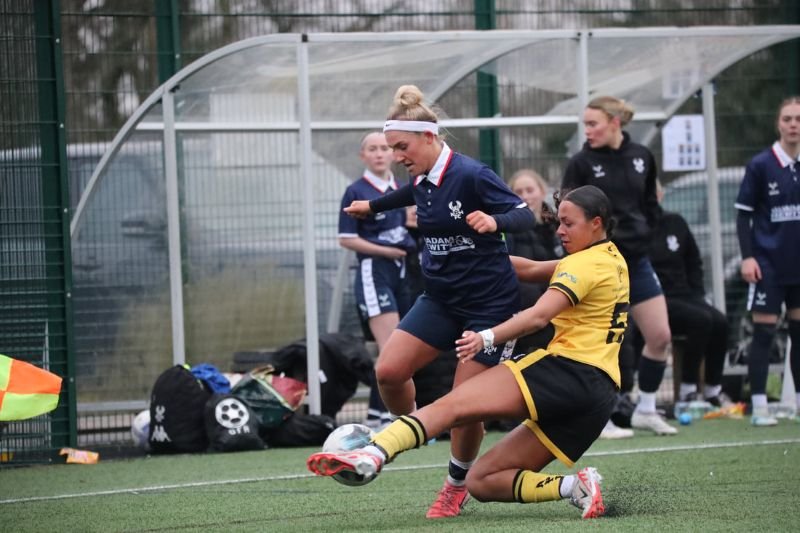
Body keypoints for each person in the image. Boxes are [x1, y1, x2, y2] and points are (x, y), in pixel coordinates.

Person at [308, 185, 628, 520]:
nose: (560, 230)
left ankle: (371, 453)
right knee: (482, 481)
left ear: (596, 222)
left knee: (453, 405)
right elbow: (532, 269)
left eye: (568, 223)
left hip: (568, 371)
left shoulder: (585, 265)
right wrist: (473, 256)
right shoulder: (610, 258)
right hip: (598, 397)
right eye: (559, 222)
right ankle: (576, 487)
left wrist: (486, 336)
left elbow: (537, 316)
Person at [338, 84, 536, 518]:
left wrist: (494, 219)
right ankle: (411, 430)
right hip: (442, 299)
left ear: (429, 137)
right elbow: (414, 194)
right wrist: (373, 208)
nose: (396, 156)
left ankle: (456, 484)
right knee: (388, 372)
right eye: (390, 149)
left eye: (401, 147)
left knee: (464, 406)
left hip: (489, 307)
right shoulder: (422, 177)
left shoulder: (472, 174)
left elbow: (526, 214)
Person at [562, 95, 677, 436]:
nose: (587, 130)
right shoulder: (580, 163)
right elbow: (567, 215)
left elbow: (650, 205)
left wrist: (647, 234)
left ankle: (646, 408)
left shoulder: (641, 156)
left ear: (615, 123)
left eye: (593, 123)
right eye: (585, 124)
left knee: (660, 335)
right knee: (601, 343)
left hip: (637, 262)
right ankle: (600, 417)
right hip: (599, 264)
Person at [338, 132, 417, 429]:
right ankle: (389, 417)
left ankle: (380, 415)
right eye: (372, 149)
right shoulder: (356, 190)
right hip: (374, 272)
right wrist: (386, 249)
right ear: (363, 156)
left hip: (400, 272)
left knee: (403, 349)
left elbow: (404, 226)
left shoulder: (400, 188)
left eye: (385, 148)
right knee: (391, 350)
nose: (380, 154)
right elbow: (346, 238)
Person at [735, 96, 800, 426]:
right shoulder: (761, 165)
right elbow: (742, 216)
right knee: (764, 333)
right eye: (787, 118)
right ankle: (759, 405)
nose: (793, 124)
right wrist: (748, 258)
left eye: (798, 119)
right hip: (768, 266)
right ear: (778, 124)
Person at [650, 181, 729, 406]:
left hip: (686, 296)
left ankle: (713, 390)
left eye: (653, 192)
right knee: (700, 320)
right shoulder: (636, 229)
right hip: (656, 301)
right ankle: (687, 391)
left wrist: (698, 294)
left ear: (661, 194)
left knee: (720, 321)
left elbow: (694, 261)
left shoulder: (676, 222)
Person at [506, 169, 564, 303]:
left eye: (530, 190)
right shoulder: (508, 228)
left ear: (542, 191)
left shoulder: (558, 224)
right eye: (518, 192)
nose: (525, 196)